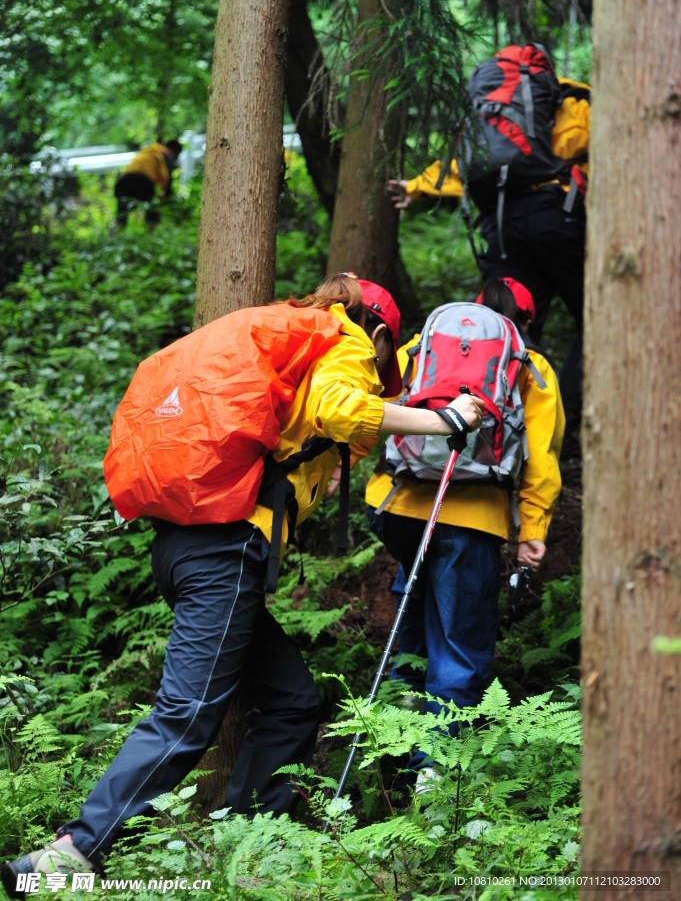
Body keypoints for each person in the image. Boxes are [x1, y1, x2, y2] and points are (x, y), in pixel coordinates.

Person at [2, 273, 483, 896]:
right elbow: (342, 409)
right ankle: (69, 854)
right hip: (223, 553)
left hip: (182, 547)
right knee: (187, 714)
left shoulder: (287, 336)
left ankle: (255, 847)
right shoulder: (346, 338)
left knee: (291, 702)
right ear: (382, 331)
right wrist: (443, 421)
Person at [365, 277, 564, 785]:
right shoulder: (529, 364)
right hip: (471, 517)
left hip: (397, 506)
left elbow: (381, 403)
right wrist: (531, 529)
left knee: (415, 606)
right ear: (524, 322)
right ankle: (432, 782)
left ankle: (387, 757)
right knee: (458, 645)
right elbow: (540, 461)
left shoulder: (422, 344)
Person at [387, 76, 589, 457]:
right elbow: (576, 142)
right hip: (555, 218)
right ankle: (565, 423)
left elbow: (473, 157)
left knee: (505, 326)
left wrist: (417, 185)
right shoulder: (570, 99)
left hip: (501, 221)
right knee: (595, 321)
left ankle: (492, 421)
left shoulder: (491, 107)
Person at [112, 139, 183, 232]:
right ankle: (153, 236)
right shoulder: (167, 154)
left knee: (121, 215)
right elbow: (166, 178)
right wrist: (164, 200)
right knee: (152, 213)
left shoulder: (150, 150)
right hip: (144, 181)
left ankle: (113, 234)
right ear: (174, 151)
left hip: (123, 180)